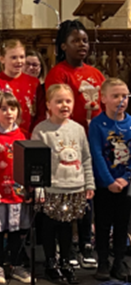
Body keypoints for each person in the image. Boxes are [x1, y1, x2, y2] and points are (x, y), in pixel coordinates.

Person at [33, 84, 96, 284]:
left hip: (75, 186)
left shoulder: (77, 129)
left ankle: (66, 261)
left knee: (68, 226)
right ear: (49, 105)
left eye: (68, 101)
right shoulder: (42, 130)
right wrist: (39, 188)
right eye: (59, 101)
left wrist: (89, 183)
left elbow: (86, 158)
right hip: (52, 187)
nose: (64, 105)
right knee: (51, 226)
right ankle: (51, 262)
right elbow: (36, 163)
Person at [0, 91, 33, 284]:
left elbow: (29, 166)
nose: (8, 112)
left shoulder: (23, 135)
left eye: (12, 108)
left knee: (17, 231)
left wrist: (30, 189)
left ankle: (16, 264)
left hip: (19, 194)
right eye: (3, 108)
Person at [87, 79, 132, 282]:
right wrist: (108, 181)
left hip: (126, 184)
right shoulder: (97, 124)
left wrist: (125, 178)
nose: (121, 100)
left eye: (125, 96)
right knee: (103, 225)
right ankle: (103, 261)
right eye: (115, 96)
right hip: (104, 184)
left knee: (123, 225)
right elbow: (96, 154)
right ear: (103, 98)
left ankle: (119, 261)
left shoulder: (130, 123)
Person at [40, 20, 106, 127]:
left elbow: (105, 103)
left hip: (98, 131)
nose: (82, 44)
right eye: (76, 41)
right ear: (64, 46)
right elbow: (57, 107)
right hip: (71, 131)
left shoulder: (96, 73)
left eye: (85, 41)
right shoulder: (58, 73)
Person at [0, 40, 38, 136]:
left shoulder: (34, 82)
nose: (19, 61)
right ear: (2, 59)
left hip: (30, 136)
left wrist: (34, 134)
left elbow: (41, 112)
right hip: (4, 136)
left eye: (22, 57)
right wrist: (7, 135)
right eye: (14, 57)